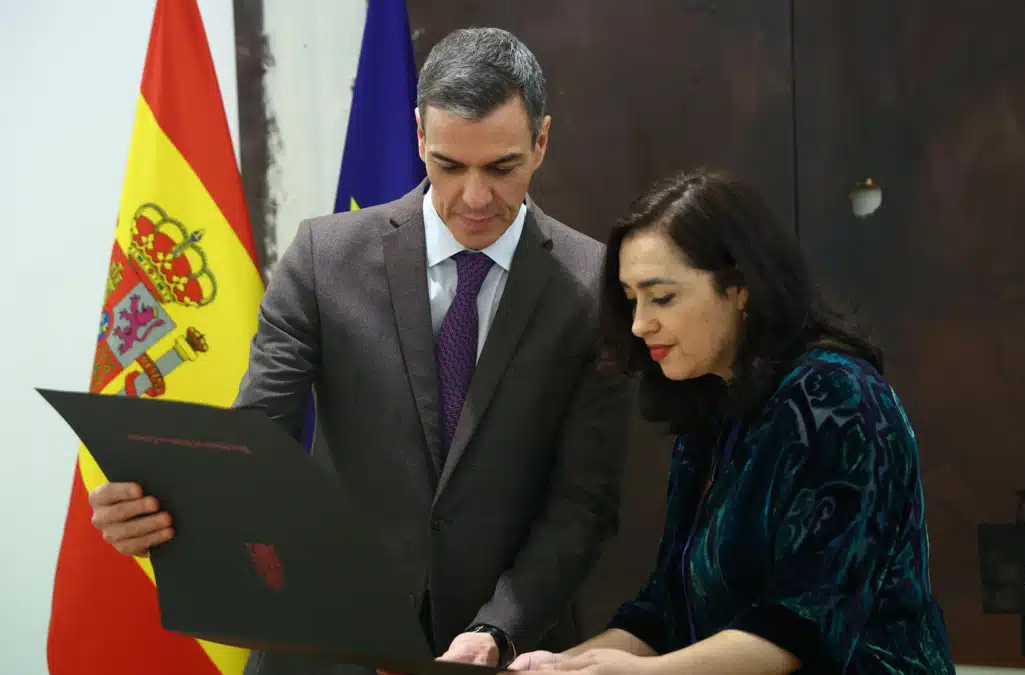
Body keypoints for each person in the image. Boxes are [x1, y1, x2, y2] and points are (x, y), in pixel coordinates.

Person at [85, 27, 633, 674]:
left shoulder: (595, 285)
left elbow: (583, 503)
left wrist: (497, 629)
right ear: (419, 136)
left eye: (501, 167)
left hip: (506, 648)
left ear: (540, 141)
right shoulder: (324, 258)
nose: (475, 198)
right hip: (323, 639)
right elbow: (257, 442)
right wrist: (160, 508)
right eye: (449, 165)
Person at [511, 169, 955, 674]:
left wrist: (642, 674)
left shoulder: (838, 397)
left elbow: (802, 624)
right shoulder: (712, 408)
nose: (639, 324)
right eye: (632, 300)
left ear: (740, 287)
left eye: (662, 297)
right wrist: (561, 666)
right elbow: (664, 611)